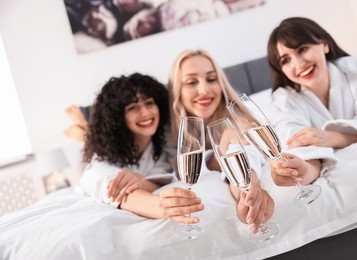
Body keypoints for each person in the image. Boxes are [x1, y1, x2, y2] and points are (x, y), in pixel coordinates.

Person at [266, 17, 357, 186]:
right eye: (286, 60)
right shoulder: (284, 100)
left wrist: (336, 137)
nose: (299, 64)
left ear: (324, 44)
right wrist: (303, 170)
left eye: (302, 49)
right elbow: (295, 144)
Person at [167, 49, 275, 234]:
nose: (204, 90)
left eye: (211, 79)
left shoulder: (239, 122)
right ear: (177, 91)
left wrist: (249, 190)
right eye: (192, 82)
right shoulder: (169, 138)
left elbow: (243, 152)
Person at [78, 73, 205, 222]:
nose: (145, 113)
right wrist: (162, 207)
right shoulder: (101, 161)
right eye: (133, 108)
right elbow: (117, 192)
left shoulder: (162, 145)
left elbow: (160, 177)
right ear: (117, 118)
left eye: (149, 103)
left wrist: (142, 182)